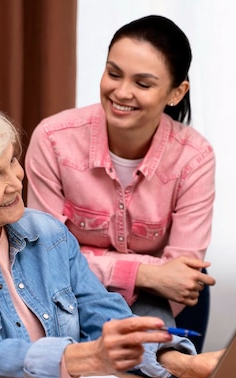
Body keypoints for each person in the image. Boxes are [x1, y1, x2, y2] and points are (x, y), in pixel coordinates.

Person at [0, 96, 221, 378]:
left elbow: (105, 316)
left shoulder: (50, 234)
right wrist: (88, 357)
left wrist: (182, 363)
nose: (15, 182)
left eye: (12, 161)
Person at [25, 15, 216, 334]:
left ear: (176, 92)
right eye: (113, 74)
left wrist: (90, 261)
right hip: (68, 298)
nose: (121, 92)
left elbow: (183, 273)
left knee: (159, 335)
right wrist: (145, 274)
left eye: (142, 83)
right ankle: (172, 360)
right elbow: (45, 259)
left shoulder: (194, 157)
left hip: (159, 303)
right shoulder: (54, 139)